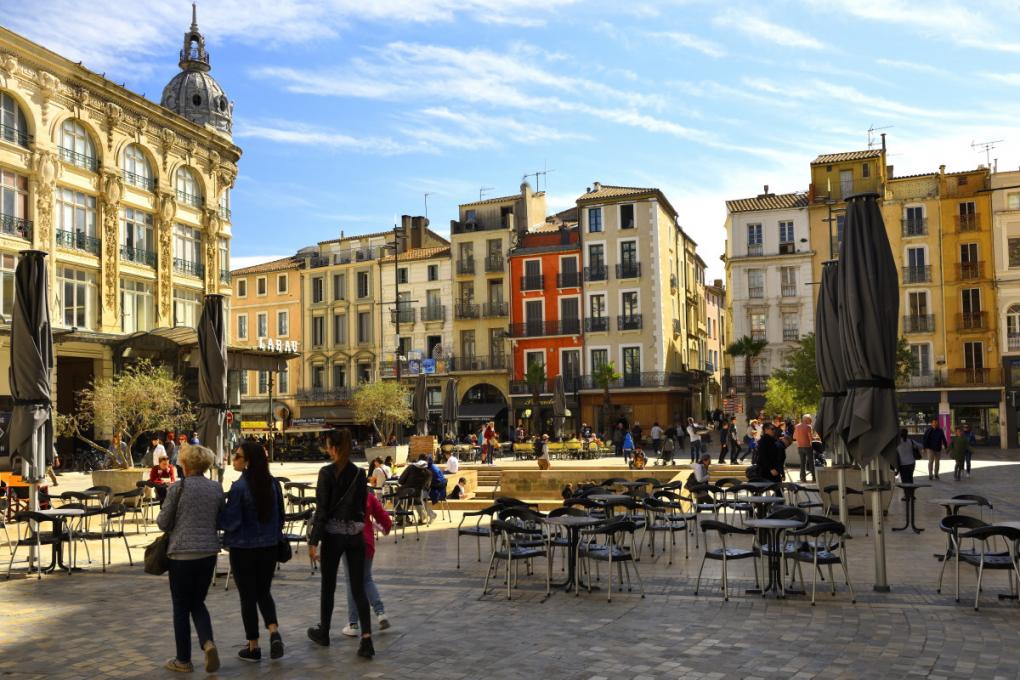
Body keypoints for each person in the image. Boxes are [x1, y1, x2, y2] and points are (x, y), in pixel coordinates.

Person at [307, 429, 375, 659]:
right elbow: (362, 506)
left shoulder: (326, 473)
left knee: (328, 585)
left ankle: (324, 631)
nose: (326, 449)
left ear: (334, 448)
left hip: (333, 534)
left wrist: (313, 540)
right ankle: (367, 639)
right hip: (355, 534)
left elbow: (322, 510)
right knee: (358, 587)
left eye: (328, 445)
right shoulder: (359, 473)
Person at [158, 445, 224, 674]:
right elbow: (220, 519)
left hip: (181, 554)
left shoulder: (178, 488)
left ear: (185, 465)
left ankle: (183, 660)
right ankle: (208, 642)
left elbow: (163, 523)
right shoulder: (216, 488)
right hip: (208, 553)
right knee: (198, 602)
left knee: (180, 606)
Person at [220, 442, 285, 662]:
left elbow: (231, 521)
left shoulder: (239, 487)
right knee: (263, 592)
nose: (234, 459)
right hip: (269, 547)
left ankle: (253, 646)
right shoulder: (273, 484)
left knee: (247, 597)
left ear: (247, 461)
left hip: (243, 549)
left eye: (237, 456)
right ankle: (274, 632)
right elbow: (281, 517)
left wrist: (219, 514)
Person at [341, 486, 392, 638]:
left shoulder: (342, 496)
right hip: (367, 543)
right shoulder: (369, 496)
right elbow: (384, 518)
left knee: (352, 582)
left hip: (349, 543)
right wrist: (386, 528)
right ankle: (380, 613)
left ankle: (353, 624)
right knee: (367, 579)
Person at [794, 414, 815, 482]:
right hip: (807, 446)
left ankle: (803, 478)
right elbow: (810, 438)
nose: (811, 421)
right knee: (811, 462)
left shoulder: (797, 426)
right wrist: (815, 438)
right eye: (810, 420)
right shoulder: (808, 426)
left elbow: (794, 436)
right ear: (806, 420)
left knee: (802, 463)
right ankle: (814, 477)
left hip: (799, 446)